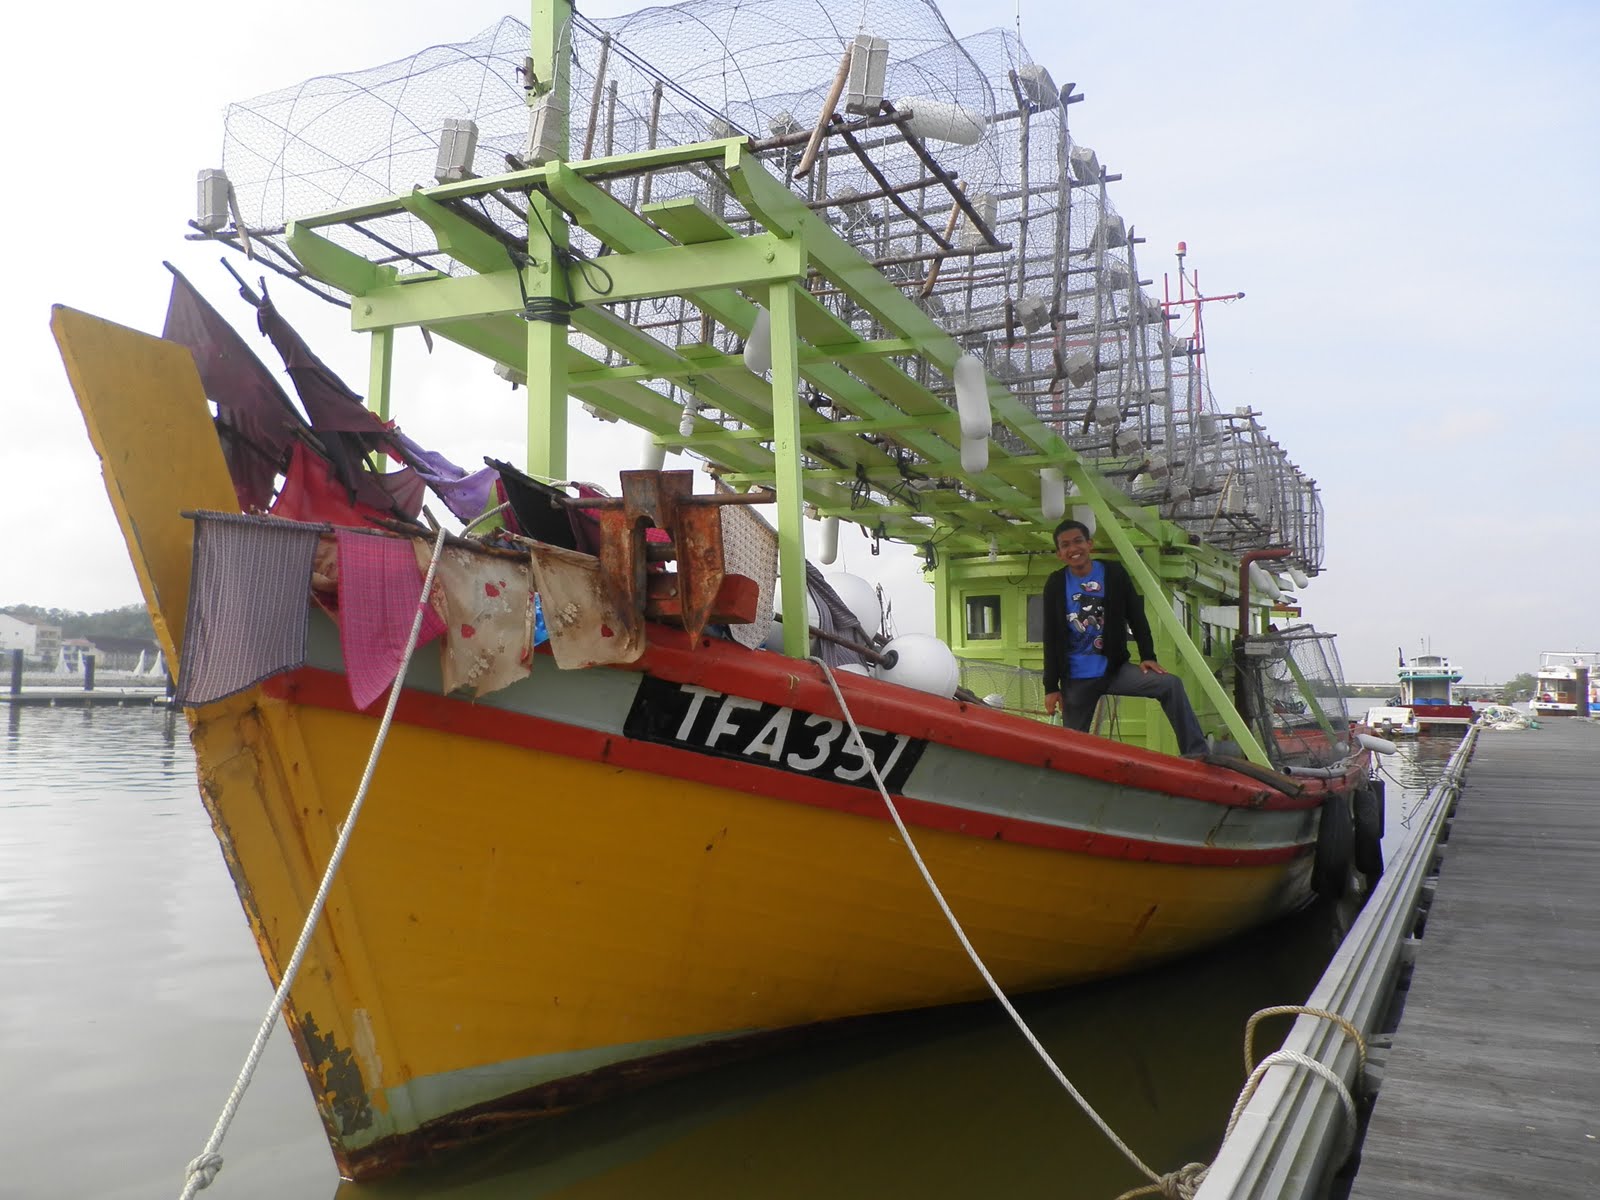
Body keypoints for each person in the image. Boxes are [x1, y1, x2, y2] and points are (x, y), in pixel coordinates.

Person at [1040, 518, 1208, 756]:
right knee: (1072, 748)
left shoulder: (1113, 573)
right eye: (1065, 545)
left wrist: (1148, 656)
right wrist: (1051, 686)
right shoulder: (1056, 583)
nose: (1073, 549)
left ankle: (1196, 753)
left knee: (1170, 684)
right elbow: (1051, 635)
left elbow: (1136, 616)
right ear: (1059, 554)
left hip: (1114, 670)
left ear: (1090, 544)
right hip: (1076, 679)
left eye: (1078, 541)